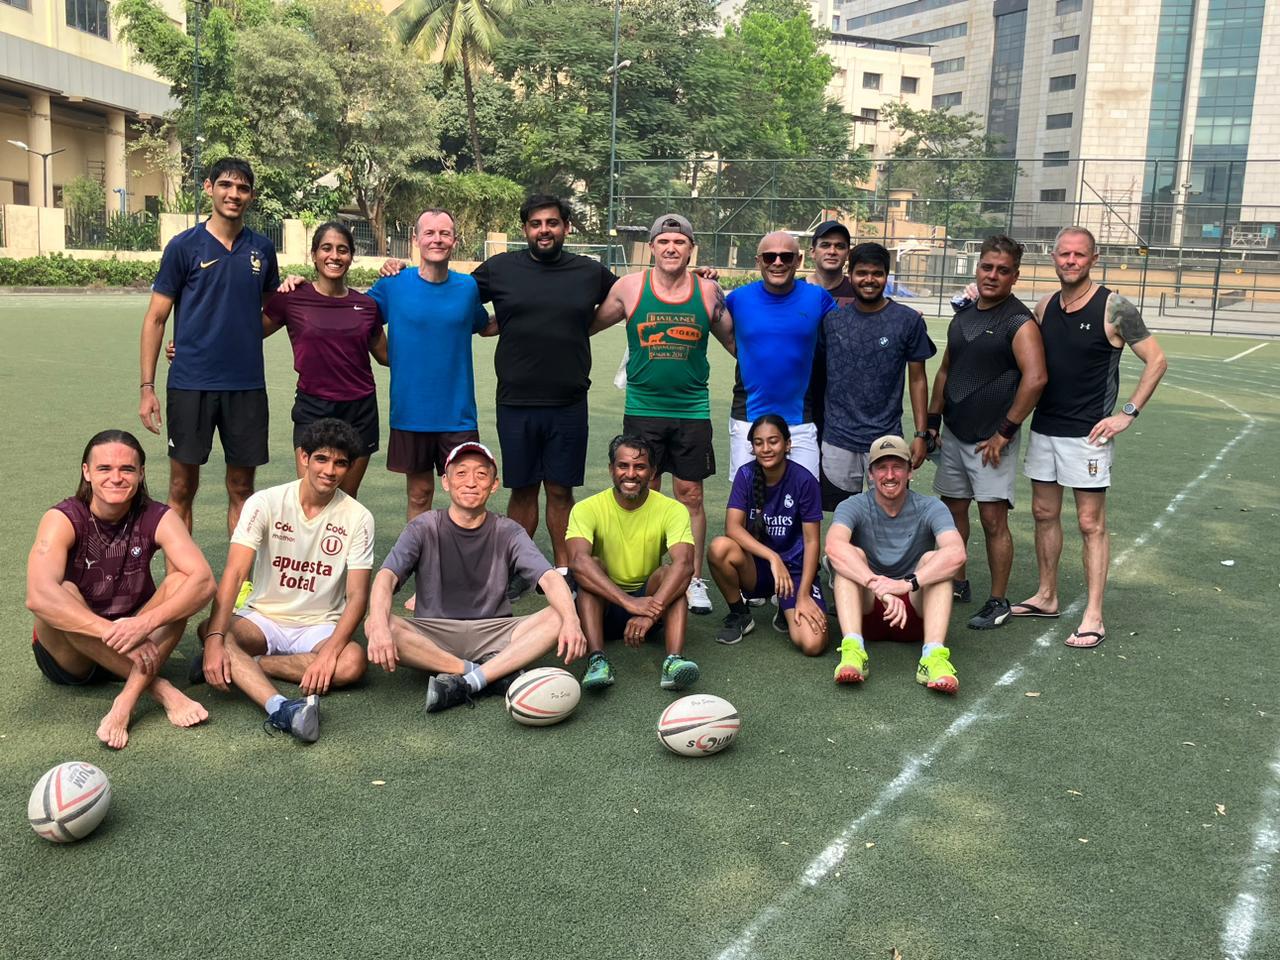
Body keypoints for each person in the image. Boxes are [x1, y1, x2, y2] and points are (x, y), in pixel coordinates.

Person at [1013, 226, 1168, 649]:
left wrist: (1127, 414)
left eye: (1079, 254)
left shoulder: (1114, 307)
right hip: (1045, 428)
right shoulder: (1045, 305)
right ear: (1053, 258)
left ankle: (1094, 615)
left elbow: (1156, 360)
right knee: (1044, 513)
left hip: (1088, 436)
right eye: (1064, 254)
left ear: (1093, 259)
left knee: (1090, 523)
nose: (1070, 261)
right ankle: (1047, 595)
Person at [26, 430, 215, 749]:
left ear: (141, 473)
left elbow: (205, 581)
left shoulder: (158, 516)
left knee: (181, 582)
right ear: (86, 472)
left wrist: (144, 624)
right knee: (64, 592)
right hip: (72, 657)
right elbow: (38, 595)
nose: (116, 478)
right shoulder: (63, 518)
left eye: (127, 469)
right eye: (104, 468)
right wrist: (110, 633)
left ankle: (125, 700)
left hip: (137, 638)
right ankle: (161, 689)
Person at [364, 441, 584, 713]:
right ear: (446, 482)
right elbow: (386, 577)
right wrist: (380, 626)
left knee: (559, 616)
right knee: (375, 622)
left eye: (481, 474)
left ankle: (468, 682)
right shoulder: (423, 526)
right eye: (461, 473)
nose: (471, 482)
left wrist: (572, 620)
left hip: (495, 631)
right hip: (434, 633)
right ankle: (486, 674)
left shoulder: (508, 530)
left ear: (494, 485)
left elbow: (549, 578)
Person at [192, 419, 374, 743]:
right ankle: (280, 707)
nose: (329, 471)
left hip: (319, 625)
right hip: (263, 618)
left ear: (348, 468)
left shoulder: (358, 517)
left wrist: (329, 654)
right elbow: (235, 573)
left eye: (340, 463)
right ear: (304, 457)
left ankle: (248, 665)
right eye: (322, 459)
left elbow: (358, 596)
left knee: (352, 663)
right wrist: (217, 638)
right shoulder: (265, 502)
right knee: (211, 631)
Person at [589, 213, 735, 617]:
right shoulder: (629, 288)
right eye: (664, 241)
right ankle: (650, 575)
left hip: (692, 409)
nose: (672, 248)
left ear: (691, 249)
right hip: (643, 409)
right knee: (645, 492)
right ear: (652, 247)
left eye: (680, 242)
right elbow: (586, 326)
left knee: (691, 495)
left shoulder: (708, 292)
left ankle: (693, 580)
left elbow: (737, 343)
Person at [138, 157, 281, 534]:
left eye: (243, 188)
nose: (234, 194)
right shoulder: (183, 247)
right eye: (226, 185)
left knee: (242, 488)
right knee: (181, 488)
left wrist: (238, 335)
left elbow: (274, 312)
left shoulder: (262, 249)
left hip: (246, 386)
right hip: (191, 384)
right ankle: (180, 569)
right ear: (209, 188)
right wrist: (147, 387)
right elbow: (155, 318)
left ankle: (239, 573)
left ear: (251, 196)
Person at [926, 235, 1046, 630]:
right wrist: (932, 423)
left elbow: (1035, 378)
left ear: (1015, 276)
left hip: (991, 442)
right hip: (955, 434)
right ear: (977, 268)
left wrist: (1004, 433)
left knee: (993, 520)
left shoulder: (1019, 321)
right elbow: (945, 371)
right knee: (952, 512)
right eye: (987, 267)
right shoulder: (964, 315)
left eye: (1002, 270)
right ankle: (957, 581)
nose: (993, 275)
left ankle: (998, 600)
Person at [368, 209, 492, 519]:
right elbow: (359, 317)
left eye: (444, 233)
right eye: (429, 233)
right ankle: (420, 552)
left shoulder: (467, 287)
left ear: (455, 241)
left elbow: (483, 324)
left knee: (469, 493)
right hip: (411, 412)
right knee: (420, 493)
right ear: (415, 239)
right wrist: (385, 355)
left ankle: (464, 552)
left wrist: (527, 310)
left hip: (458, 415)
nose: (437, 239)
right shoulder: (393, 283)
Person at [825, 435, 966, 693]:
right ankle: (853, 652)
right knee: (850, 555)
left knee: (935, 560)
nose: (889, 475)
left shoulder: (930, 506)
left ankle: (933, 657)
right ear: (870, 474)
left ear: (910, 471)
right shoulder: (853, 505)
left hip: (914, 612)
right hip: (866, 612)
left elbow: (956, 553)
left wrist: (905, 585)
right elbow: (833, 547)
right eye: (882, 467)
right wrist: (878, 586)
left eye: (897, 467)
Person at [261, 221, 387, 497]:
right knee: (312, 497)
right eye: (326, 248)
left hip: (360, 410)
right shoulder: (292, 298)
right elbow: (247, 334)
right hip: (313, 408)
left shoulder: (367, 306)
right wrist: (188, 347)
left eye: (342, 250)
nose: (334, 256)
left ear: (351, 257)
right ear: (314, 255)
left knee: (346, 500)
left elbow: (386, 356)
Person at [567, 436, 699, 691]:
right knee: (592, 566)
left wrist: (649, 613)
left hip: (649, 602)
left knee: (672, 575)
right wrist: (628, 602)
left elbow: (685, 565)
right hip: (604, 607)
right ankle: (597, 660)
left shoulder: (672, 509)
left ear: (652, 472)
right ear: (611, 469)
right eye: (623, 466)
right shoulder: (586, 508)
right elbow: (578, 562)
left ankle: (673, 661)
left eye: (639, 467)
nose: (630, 474)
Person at [816, 241, 936, 511]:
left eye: (877, 273)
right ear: (850, 275)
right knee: (841, 515)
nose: (869, 280)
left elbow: (918, 379)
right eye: (862, 273)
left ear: (886, 276)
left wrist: (920, 433)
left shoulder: (907, 320)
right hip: (838, 439)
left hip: (886, 438)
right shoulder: (832, 321)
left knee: (888, 514)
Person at [708, 415, 827, 653]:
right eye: (759, 442)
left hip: (794, 571)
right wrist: (773, 558)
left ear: (787, 444)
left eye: (773, 441)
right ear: (752, 448)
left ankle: (786, 605)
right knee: (719, 548)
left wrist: (803, 595)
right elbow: (732, 527)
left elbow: (813, 541)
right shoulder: (746, 475)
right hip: (758, 568)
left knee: (813, 644)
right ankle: (740, 614)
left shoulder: (804, 481)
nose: (766, 448)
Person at [725, 231, 837, 481]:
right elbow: (712, 320)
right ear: (758, 261)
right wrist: (705, 281)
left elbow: (850, 325)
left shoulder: (818, 298)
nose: (777, 262)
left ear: (798, 260)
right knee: (746, 496)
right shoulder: (737, 299)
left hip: (799, 420)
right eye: (770, 257)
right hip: (748, 417)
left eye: (786, 256)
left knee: (805, 495)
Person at [808, 220, 856, 303]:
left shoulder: (858, 291)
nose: (832, 252)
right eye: (825, 245)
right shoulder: (794, 291)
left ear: (848, 254)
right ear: (813, 252)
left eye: (840, 246)